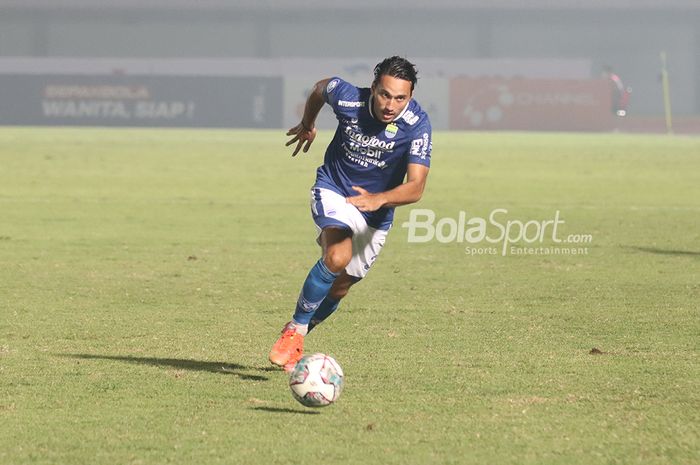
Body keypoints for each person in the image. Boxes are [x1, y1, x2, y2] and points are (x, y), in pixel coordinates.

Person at [268, 56, 433, 371]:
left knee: (341, 285)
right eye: (385, 94)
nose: (390, 105)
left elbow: (416, 187)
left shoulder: (417, 124)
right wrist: (308, 124)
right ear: (373, 88)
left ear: (410, 97)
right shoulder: (347, 96)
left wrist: (378, 199)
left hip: (377, 210)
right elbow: (320, 89)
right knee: (337, 257)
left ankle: (299, 333)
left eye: (400, 98)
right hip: (335, 189)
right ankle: (294, 329)